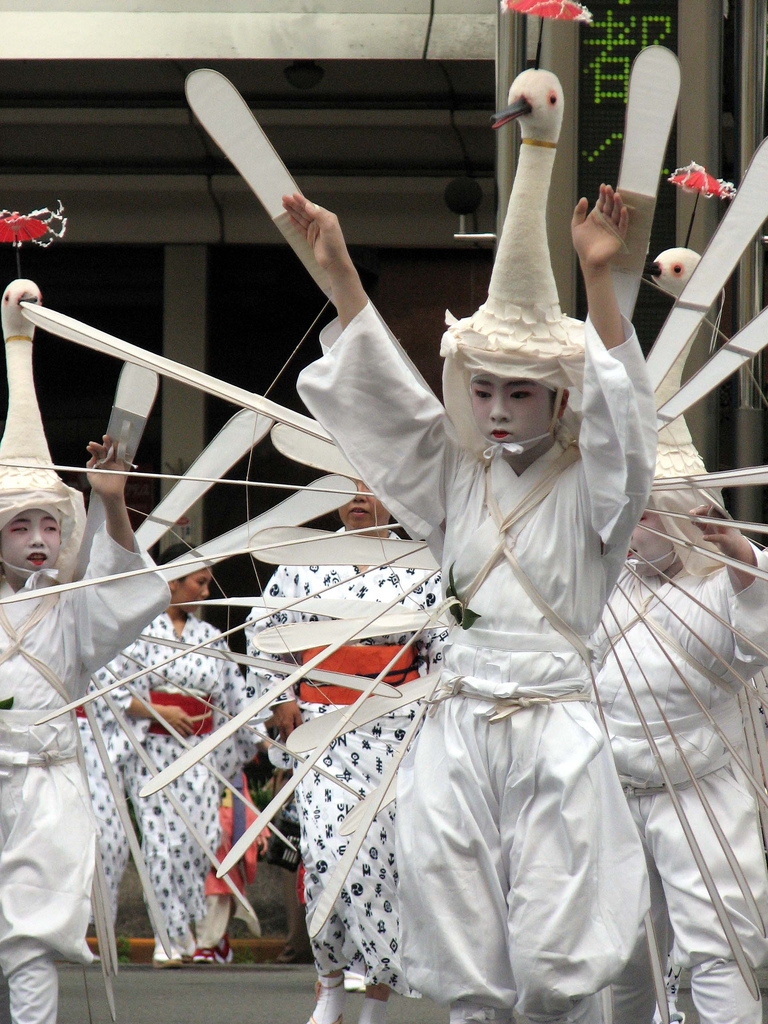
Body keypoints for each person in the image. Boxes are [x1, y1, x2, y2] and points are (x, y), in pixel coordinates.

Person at [287, 67, 657, 1024]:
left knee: (555, 968)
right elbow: (390, 412)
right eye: (482, 389)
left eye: (521, 392)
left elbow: (630, 433)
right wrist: (340, 276)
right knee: (466, 968)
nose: (496, 411)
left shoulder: (594, 491)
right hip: (454, 727)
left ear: (562, 396)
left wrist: (600, 285)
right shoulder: (456, 473)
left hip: (557, 735)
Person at [0, 279, 170, 1024]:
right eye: (19, 525)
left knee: (32, 944)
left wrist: (108, 501)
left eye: (47, 523)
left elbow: (120, 601)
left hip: (45, 789)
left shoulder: (69, 604)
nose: (39, 538)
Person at [247, 481, 447, 1024]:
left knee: (383, 867)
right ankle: (330, 983)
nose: (359, 498)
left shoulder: (422, 568)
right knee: (325, 858)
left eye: (373, 488)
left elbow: (444, 656)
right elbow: (263, 636)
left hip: (395, 734)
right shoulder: (302, 564)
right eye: (348, 489)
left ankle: (374, 1004)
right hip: (321, 732)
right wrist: (280, 700)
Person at [593, 484, 768, 1022]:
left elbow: (757, 637)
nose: (627, 526)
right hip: (615, 793)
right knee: (620, 953)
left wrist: (739, 555)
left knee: (723, 948)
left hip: (700, 789)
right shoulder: (605, 584)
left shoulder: (721, 583)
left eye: (641, 513)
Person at [116, 546, 260, 967]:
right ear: (173, 582)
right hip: (154, 750)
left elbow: (234, 697)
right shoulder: (138, 631)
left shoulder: (208, 637)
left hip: (200, 754)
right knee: (160, 844)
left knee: (198, 842)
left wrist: (260, 729)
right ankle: (168, 935)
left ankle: (190, 931)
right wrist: (161, 709)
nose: (206, 587)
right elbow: (113, 692)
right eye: (199, 580)